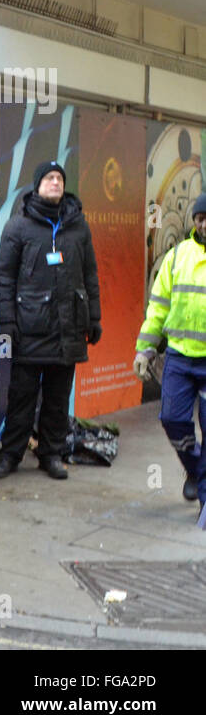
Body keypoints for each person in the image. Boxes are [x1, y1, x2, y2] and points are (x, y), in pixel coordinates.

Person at [0, 161, 100, 480]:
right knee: (21, 396)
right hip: (28, 327)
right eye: (49, 178)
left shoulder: (78, 226)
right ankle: (10, 454)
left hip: (68, 328)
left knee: (57, 398)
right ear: (37, 185)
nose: (55, 182)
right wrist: (8, 323)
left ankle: (50, 454)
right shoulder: (18, 226)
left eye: (60, 178)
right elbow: (4, 276)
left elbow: (90, 274)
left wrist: (93, 317)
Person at [135, 192, 206, 511]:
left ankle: (204, 497)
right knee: (172, 419)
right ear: (195, 222)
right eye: (201, 218)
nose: (205, 223)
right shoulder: (177, 257)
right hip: (179, 357)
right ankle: (195, 470)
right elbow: (158, 309)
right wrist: (145, 349)